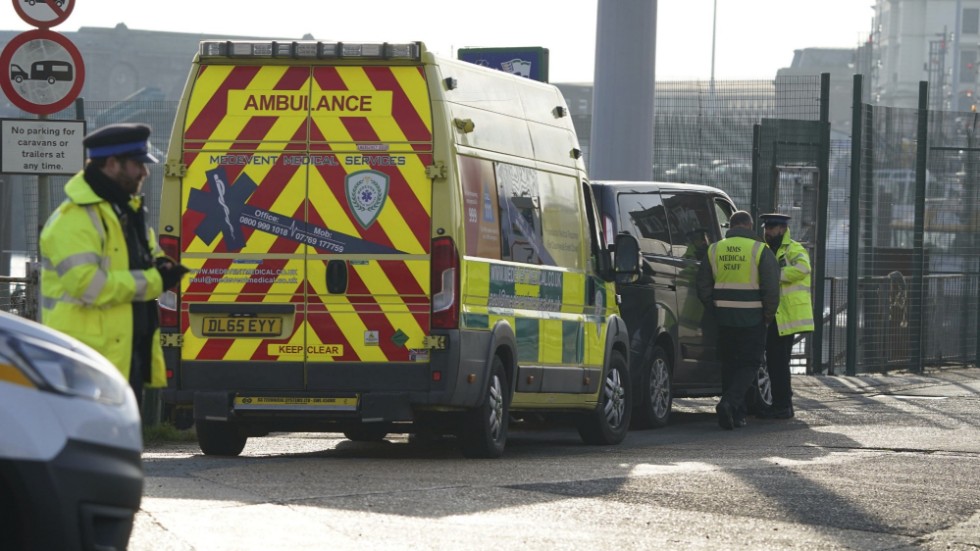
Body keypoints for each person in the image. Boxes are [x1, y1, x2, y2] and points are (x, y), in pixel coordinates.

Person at [40, 122, 188, 410]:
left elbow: (147, 258)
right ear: (111, 163)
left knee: (118, 451)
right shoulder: (74, 220)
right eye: (137, 164)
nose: (145, 172)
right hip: (84, 364)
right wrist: (155, 281)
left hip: (120, 356)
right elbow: (87, 286)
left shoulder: (124, 211)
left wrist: (162, 267)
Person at [696, 211, 780, 430]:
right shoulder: (760, 250)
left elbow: (703, 286)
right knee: (750, 363)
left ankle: (736, 414)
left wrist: (715, 309)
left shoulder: (714, 249)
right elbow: (771, 289)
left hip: (723, 318)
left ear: (731, 226)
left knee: (730, 365)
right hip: (753, 317)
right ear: (749, 226)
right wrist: (767, 316)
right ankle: (729, 403)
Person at [757, 213, 815, 419]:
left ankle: (782, 405)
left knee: (778, 361)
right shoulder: (765, 250)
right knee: (775, 362)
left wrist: (776, 275)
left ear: (782, 229)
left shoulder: (793, 249)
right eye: (766, 228)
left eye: (771, 229)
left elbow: (803, 268)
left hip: (786, 316)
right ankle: (783, 402)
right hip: (774, 315)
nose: (767, 232)